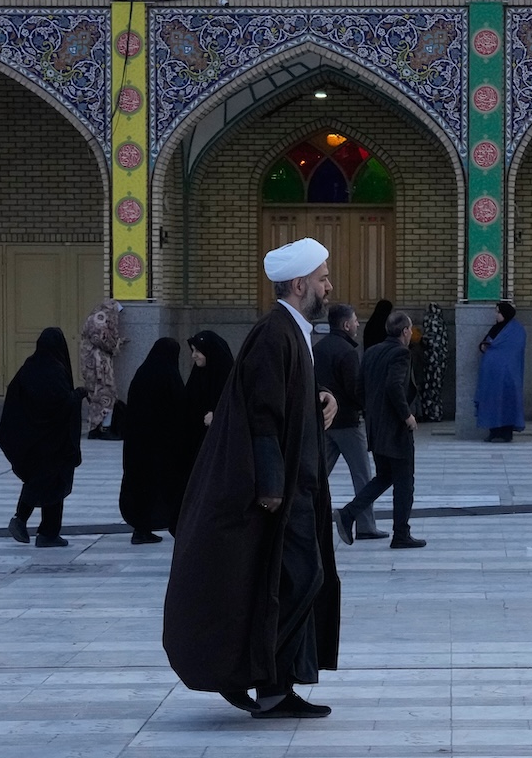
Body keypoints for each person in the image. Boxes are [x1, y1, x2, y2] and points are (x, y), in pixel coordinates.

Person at [163, 237, 340, 719]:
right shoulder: (273, 333)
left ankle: (274, 687)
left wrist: (322, 395)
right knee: (303, 579)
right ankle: (248, 673)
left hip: (300, 487)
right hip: (283, 493)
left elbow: (286, 391)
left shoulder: (292, 331)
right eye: (323, 279)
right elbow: (262, 414)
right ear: (301, 284)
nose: (330, 287)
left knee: (297, 581)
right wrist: (270, 489)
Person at [335, 310, 425, 549]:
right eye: (410, 329)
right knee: (404, 482)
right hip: (395, 429)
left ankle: (348, 513)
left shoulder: (372, 352)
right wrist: (406, 416)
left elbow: (359, 388)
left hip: (376, 428)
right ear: (405, 331)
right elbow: (394, 386)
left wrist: (371, 413)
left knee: (385, 476)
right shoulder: (401, 354)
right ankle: (401, 534)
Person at [0, 327, 86, 548]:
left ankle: (41, 529)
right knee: (49, 482)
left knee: (44, 482)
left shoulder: (30, 367)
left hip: (34, 438)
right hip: (52, 442)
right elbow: (61, 404)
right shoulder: (55, 371)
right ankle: (35, 526)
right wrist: (79, 395)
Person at [314, 304, 388, 540]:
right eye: (355, 320)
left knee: (316, 473)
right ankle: (365, 526)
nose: (357, 324)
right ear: (346, 325)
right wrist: (368, 407)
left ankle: (302, 518)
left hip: (324, 421)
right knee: (363, 476)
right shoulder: (347, 352)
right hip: (347, 423)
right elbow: (355, 389)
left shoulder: (318, 348)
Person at [121, 338, 189, 544]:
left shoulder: (142, 374)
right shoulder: (168, 375)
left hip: (137, 443)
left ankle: (141, 527)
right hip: (159, 445)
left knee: (140, 484)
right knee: (155, 485)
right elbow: (178, 407)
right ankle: (147, 527)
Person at [184, 329, 234, 473]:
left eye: (198, 351)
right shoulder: (197, 376)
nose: (194, 356)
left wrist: (217, 414)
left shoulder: (226, 378)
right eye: (193, 351)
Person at [475, 302, 526, 443]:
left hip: (509, 374)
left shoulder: (517, 330)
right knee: (493, 400)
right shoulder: (495, 328)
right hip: (492, 374)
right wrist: (484, 347)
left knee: (507, 400)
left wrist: (495, 351)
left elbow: (514, 351)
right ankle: (494, 432)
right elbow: (487, 343)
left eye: (498, 312)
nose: (496, 315)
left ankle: (506, 432)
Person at [81, 299, 125, 439]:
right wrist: (116, 344)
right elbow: (103, 340)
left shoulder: (95, 318)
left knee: (95, 396)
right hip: (99, 367)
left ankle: (95, 427)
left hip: (91, 366)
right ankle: (105, 428)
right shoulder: (100, 320)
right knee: (106, 395)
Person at [418, 302, 450, 422]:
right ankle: (436, 413)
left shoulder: (431, 322)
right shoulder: (441, 323)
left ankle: (431, 413)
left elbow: (428, 341)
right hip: (440, 361)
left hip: (431, 362)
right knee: (436, 388)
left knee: (429, 388)